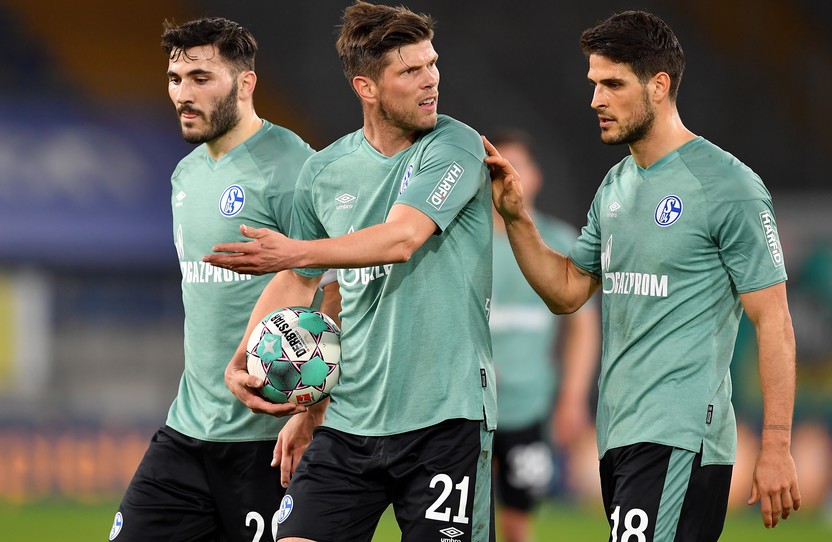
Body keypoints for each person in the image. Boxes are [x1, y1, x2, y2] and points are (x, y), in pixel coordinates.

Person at [484, 10, 801, 541]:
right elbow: (567, 292)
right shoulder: (616, 185)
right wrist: (516, 219)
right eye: (593, 84)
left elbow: (774, 321)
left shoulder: (728, 186)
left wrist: (776, 444)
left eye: (612, 84)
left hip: (680, 433)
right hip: (620, 434)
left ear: (658, 87)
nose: (596, 100)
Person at [203, 2, 496, 541]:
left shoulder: (455, 145)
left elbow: (403, 238)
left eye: (432, 64)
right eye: (410, 71)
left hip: (444, 420)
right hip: (350, 420)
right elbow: (308, 283)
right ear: (366, 86)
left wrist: (295, 251)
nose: (431, 80)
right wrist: (246, 362)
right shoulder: (325, 171)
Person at [109, 17, 340, 542]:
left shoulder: (294, 168)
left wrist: (312, 413)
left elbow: (335, 290)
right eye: (175, 79)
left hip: (267, 441)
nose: (182, 95)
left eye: (200, 78)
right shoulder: (185, 176)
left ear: (245, 82)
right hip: (188, 430)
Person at [487, 130, 601, 542]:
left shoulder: (560, 241)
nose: (512, 175)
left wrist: (572, 396)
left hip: (529, 406)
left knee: (518, 522)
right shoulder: (466, 242)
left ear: (536, 176)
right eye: (503, 166)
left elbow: (583, 327)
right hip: (467, 406)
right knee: (461, 522)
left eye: (521, 165)